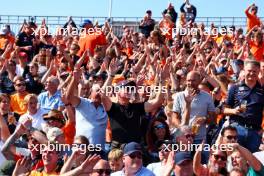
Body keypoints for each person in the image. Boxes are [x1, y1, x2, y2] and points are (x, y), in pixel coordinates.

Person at [223, 60, 264, 153]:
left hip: (254, 132)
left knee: (251, 163)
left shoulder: (262, 91)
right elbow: (224, 109)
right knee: (232, 158)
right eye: (249, 70)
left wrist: (262, 131)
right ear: (244, 71)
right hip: (236, 129)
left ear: (259, 72)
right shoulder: (234, 87)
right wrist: (234, 111)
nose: (252, 73)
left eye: (255, 71)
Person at [66, 69, 108, 150]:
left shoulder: (106, 107)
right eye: (97, 91)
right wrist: (74, 80)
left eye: (101, 91)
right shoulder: (83, 103)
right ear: (91, 93)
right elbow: (69, 97)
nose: (100, 93)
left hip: (98, 152)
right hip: (80, 150)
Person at [172, 71, 216, 143]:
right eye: (188, 81)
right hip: (183, 138)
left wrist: (205, 119)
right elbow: (174, 118)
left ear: (199, 81)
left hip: (200, 138)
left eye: (193, 81)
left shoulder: (207, 96)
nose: (190, 83)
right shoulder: (179, 96)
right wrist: (182, 128)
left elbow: (213, 118)